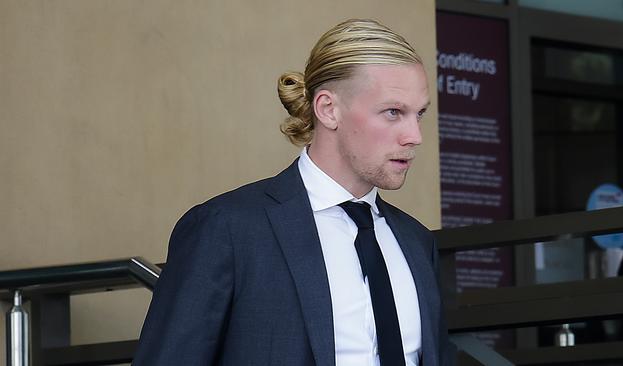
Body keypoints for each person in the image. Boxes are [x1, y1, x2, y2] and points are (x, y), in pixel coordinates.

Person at [133, 18, 454, 366]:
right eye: (393, 112)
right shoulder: (227, 229)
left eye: (418, 114)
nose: (414, 136)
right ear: (328, 109)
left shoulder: (417, 242)